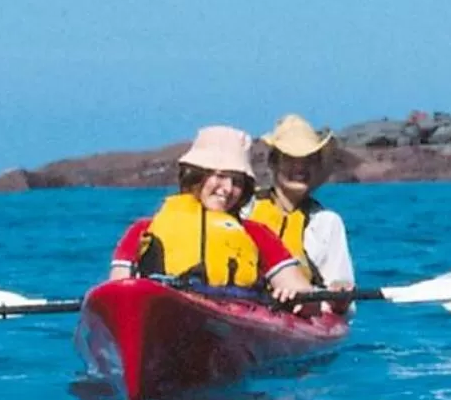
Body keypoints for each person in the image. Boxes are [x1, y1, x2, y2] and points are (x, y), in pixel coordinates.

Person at [112, 126, 310, 302]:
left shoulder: (257, 234)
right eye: (220, 176)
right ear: (196, 175)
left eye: (237, 182)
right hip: (164, 310)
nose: (228, 189)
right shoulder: (142, 231)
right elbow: (117, 290)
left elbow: (305, 295)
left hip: (235, 319)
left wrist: (294, 295)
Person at [245, 114, 356, 299]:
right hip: (246, 300)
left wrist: (339, 294)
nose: (300, 167)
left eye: (309, 160)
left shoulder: (327, 223)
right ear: (273, 162)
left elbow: (346, 306)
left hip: (302, 309)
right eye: (290, 158)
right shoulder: (246, 208)